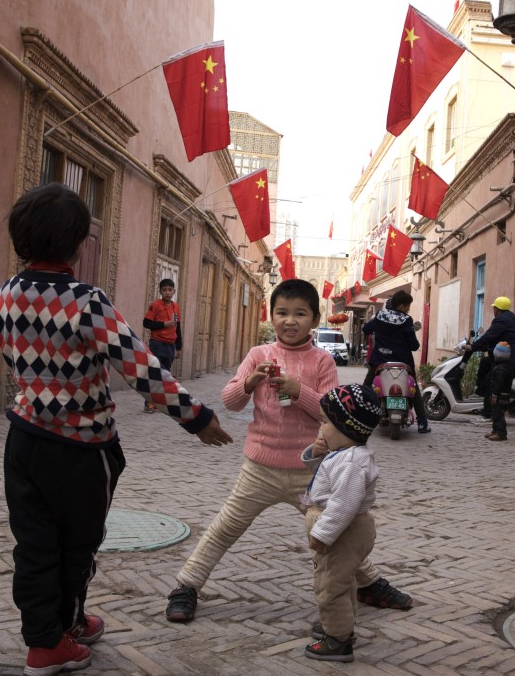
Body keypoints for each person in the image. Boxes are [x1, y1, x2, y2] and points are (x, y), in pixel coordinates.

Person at [0, 183, 233, 676]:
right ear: (78, 243)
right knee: (77, 544)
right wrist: (196, 417)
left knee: (35, 543)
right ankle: (58, 636)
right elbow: (140, 367)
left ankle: (47, 635)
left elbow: (14, 358)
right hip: (81, 449)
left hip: (23, 440)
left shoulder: (8, 294)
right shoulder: (86, 300)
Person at [165, 278, 413, 624]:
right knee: (225, 527)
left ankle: (369, 583)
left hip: (312, 473)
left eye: (300, 313)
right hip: (259, 468)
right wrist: (249, 382)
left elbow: (334, 413)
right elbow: (230, 401)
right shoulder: (257, 355)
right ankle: (186, 586)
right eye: (282, 313)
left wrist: (298, 390)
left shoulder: (323, 361)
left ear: (314, 318)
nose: (289, 321)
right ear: (272, 316)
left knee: (336, 532)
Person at [301, 384, 384, 663]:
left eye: (325, 422)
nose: (321, 428)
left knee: (329, 586)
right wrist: (317, 452)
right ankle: (340, 626)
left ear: (345, 426)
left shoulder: (351, 462)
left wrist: (323, 534)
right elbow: (324, 480)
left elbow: (343, 504)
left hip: (343, 532)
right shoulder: (344, 454)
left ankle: (338, 640)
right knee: (343, 580)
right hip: (343, 530)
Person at [361, 290, 430, 433]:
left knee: (367, 387)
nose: (408, 309)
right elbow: (414, 345)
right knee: (414, 388)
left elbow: (365, 329)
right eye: (407, 306)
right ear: (401, 306)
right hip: (402, 361)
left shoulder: (380, 316)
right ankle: (422, 423)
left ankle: (359, 416)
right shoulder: (407, 320)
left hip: (379, 360)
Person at [459, 296, 515, 439]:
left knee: (493, 387)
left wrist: (473, 346)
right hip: (507, 357)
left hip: (508, 361)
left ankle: (496, 425)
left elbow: (489, 336)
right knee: (484, 366)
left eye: (494, 308)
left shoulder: (501, 321)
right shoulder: (508, 320)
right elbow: (493, 339)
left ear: (497, 309)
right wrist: (483, 348)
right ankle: (494, 426)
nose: (493, 310)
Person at [142, 278, 182, 413]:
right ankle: (149, 403)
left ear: (174, 291)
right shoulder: (155, 305)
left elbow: (177, 327)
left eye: (170, 290)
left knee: (165, 375)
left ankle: (160, 403)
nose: (167, 292)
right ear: (160, 291)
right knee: (155, 373)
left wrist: (179, 347)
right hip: (157, 343)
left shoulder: (176, 307)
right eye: (164, 290)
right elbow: (146, 323)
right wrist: (164, 324)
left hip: (170, 345)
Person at [486, 342, 515, 441]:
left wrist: (494, 395)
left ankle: (501, 433)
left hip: (500, 396)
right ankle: (495, 430)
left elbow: (498, 384)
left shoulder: (501, 369)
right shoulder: (507, 366)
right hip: (503, 396)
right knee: (495, 414)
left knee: (498, 415)